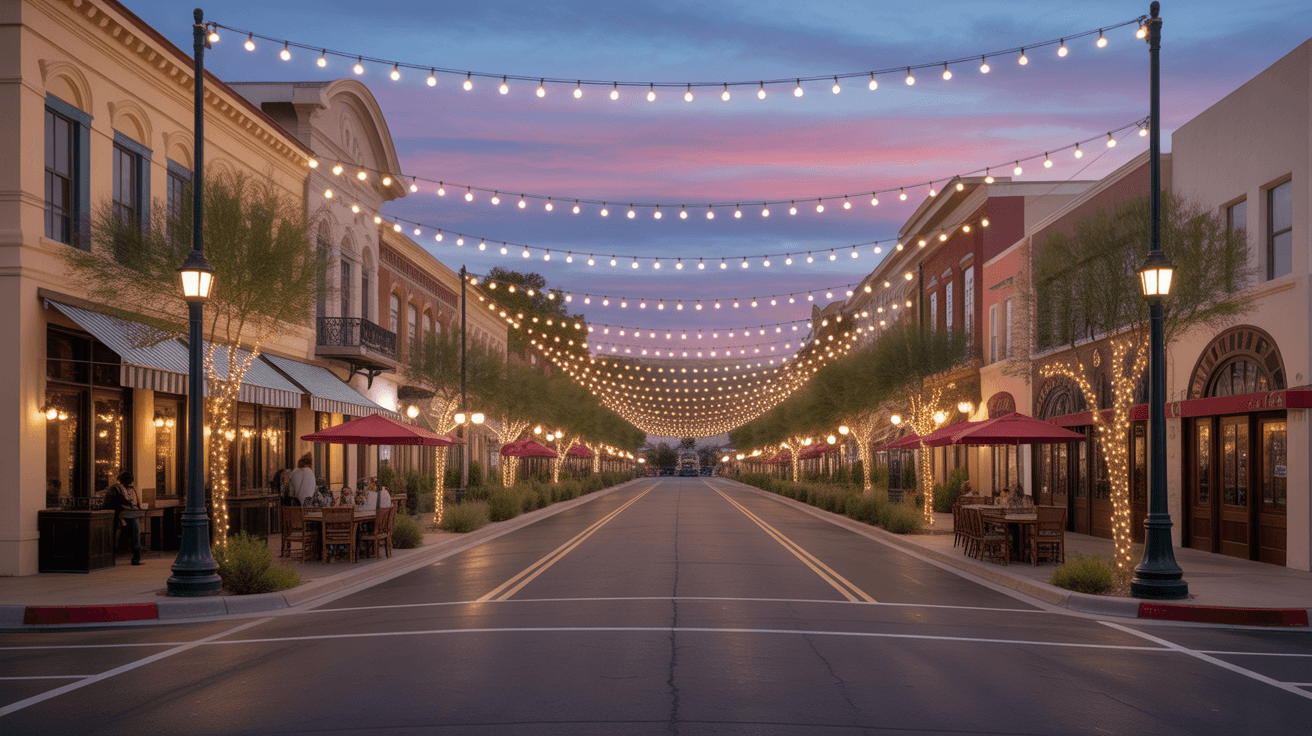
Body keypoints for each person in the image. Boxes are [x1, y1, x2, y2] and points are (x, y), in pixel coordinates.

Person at [103, 470, 143, 565]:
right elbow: (136, 503)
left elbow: (109, 503)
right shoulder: (126, 489)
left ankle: (112, 558)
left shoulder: (117, 488)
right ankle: (136, 558)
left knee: (121, 536)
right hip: (125, 515)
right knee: (135, 536)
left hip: (122, 514)